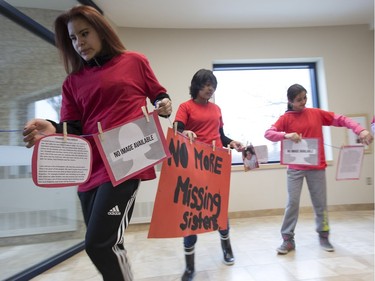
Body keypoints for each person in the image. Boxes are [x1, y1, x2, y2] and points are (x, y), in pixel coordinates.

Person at [22, 5, 172, 281]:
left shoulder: (134, 61)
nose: (79, 43)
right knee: (109, 242)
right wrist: (52, 128)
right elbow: (75, 128)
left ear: (101, 30)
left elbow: (158, 93)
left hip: (126, 162)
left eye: (84, 33)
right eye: (73, 38)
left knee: (98, 244)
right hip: (90, 170)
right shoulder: (72, 83)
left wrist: (164, 103)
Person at [264, 83, 373, 255]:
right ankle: (287, 239)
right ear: (290, 101)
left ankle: (324, 235)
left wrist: (360, 130)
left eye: (305, 98)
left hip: (316, 167)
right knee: (292, 203)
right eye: (299, 100)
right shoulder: (285, 118)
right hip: (295, 169)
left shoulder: (315, 113)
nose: (303, 102)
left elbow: (341, 119)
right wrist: (286, 135)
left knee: (320, 204)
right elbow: (268, 133)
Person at [174, 69, 243, 281]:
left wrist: (232, 142)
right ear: (196, 86)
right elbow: (177, 129)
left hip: (215, 165)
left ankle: (227, 248)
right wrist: (185, 132)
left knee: (218, 210)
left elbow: (220, 136)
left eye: (212, 85)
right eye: (205, 84)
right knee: (191, 214)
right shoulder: (185, 107)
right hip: (193, 167)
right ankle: (189, 266)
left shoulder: (217, 109)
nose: (209, 88)